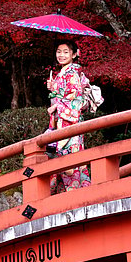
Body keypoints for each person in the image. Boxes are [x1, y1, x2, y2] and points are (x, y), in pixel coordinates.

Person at [46, 40, 93, 192]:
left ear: (74, 54)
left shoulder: (72, 73)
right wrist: (52, 88)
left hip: (69, 122)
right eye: (59, 51)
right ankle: (65, 195)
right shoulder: (62, 72)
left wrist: (56, 105)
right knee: (62, 159)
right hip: (61, 121)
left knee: (69, 159)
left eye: (66, 52)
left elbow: (76, 100)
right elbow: (62, 95)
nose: (61, 55)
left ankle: (75, 194)